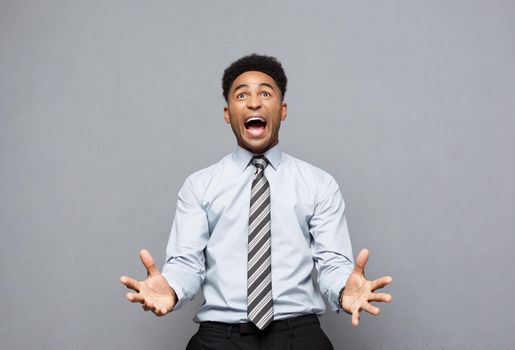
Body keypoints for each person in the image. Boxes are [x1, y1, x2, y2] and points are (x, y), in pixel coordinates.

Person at [120, 54, 393, 349]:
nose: (253, 103)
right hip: (219, 339)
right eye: (242, 95)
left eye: (265, 93)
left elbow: (332, 262)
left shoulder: (319, 184)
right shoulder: (199, 185)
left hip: (298, 337)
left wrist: (344, 290)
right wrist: (171, 289)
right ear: (228, 114)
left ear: (282, 110)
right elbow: (187, 262)